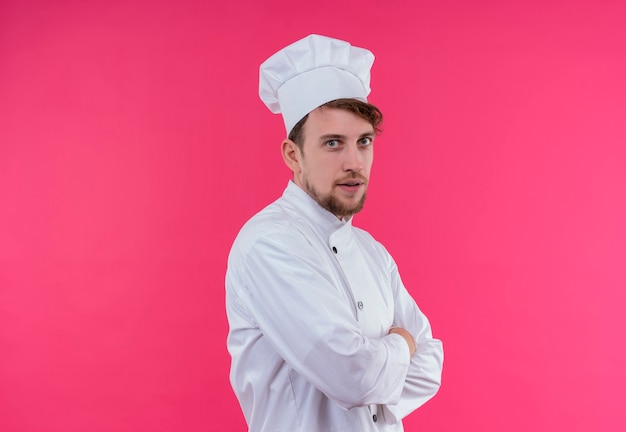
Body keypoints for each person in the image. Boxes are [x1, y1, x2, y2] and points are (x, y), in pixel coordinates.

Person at [225, 34, 444, 432]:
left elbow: (431, 367)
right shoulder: (269, 243)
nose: (354, 162)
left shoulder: (373, 252)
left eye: (364, 142)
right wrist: (402, 345)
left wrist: (378, 364)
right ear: (294, 155)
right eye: (332, 143)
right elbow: (353, 376)